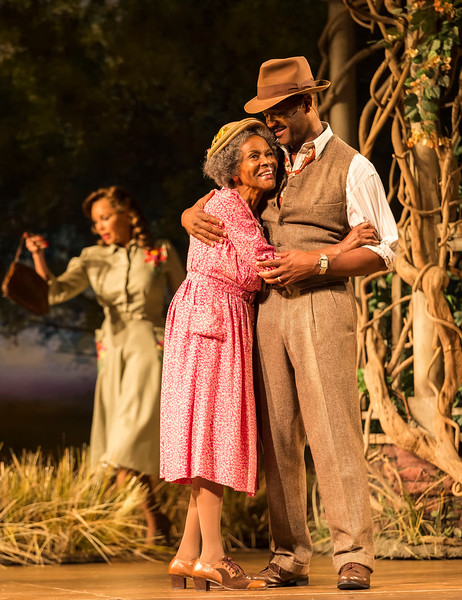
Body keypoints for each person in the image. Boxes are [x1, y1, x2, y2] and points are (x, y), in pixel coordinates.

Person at [182, 56, 398, 591]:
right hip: (264, 313)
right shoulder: (269, 161)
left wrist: (319, 260)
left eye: (279, 112)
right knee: (276, 436)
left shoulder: (354, 166)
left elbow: (386, 250)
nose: (271, 122)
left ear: (308, 103)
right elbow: (224, 199)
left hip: (322, 303)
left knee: (332, 429)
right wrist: (188, 214)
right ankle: (289, 553)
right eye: (264, 113)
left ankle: (352, 553)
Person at [160, 118, 284, 592]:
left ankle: (187, 555)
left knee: (207, 432)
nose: (266, 160)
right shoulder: (229, 202)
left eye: (268, 153)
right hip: (212, 318)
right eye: (253, 156)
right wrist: (339, 250)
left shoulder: (232, 205)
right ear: (232, 171)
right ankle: (213, 555)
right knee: (210, 433)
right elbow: (264, 262)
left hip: (214, 317)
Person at [25, 186, 185, 544]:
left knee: (130, 436)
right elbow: (53, 292)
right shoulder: (91, 257)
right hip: (112, 352)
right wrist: (38, 258)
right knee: (116, 441)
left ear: (127, 212)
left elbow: (187, 297)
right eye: (95, 221)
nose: (100, 226)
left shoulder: (159, 251)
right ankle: (155, 521)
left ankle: (133, 520)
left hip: (150, 348)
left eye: (106, 216)